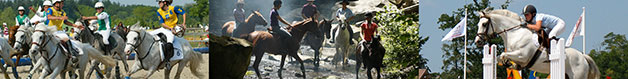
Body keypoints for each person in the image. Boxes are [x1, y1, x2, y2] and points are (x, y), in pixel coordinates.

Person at [154, 0, 187, 68]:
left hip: (171, 31)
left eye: (160, 2)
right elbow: (162, 23)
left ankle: (167, 61)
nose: (158, 3)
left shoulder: (174, 8)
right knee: (149, 34)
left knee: (169, 43)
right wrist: (169, 27)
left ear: (164, 2)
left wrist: (183, 23)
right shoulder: (159, 11)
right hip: (164, 28)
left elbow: (183, 12)